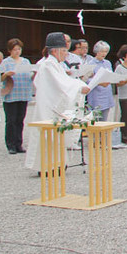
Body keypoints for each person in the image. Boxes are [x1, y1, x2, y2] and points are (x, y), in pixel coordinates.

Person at [24, 32, 91, 172]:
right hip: (48, 107)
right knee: (49, 137)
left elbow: (64, 81)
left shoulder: (55, 64)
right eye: (65, 51)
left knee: (56, 137)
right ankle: (46, 167)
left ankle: (56, 164)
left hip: (53, 105)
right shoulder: (48, 65)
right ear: (55, 50)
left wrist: (78, 85)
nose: (67, 54)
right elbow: (62, 83)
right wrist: (79, 87)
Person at [1, 38, 33, 154]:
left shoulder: (26, 61)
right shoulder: (6, 62)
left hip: (23, 93)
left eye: (19, 49)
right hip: (11, 94)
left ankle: (19, 144)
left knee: (20, 120)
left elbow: (30, 75)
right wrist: (6, 74)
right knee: (11, 120)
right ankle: (10, 144)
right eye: (14, 50)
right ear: (10, 50)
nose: (17, 52)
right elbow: (0, 77)